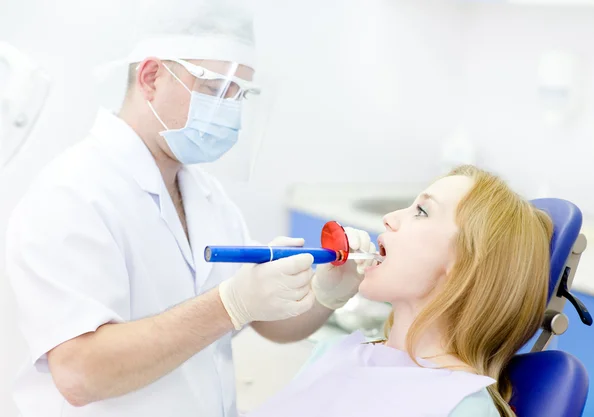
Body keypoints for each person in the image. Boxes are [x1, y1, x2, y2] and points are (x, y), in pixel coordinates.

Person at [4, 3, 377, 417]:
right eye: (217, 88)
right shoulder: (73, 193)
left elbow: (267, 320)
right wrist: (226, 305)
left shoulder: (204, 194)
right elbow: (80, 374)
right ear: (151, 77)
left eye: (240, 93)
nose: (230, 109)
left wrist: (326, 294)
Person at [245, 165, 553, 417]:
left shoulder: (462, 407)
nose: (389, 218)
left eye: (421, 211)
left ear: (466, 267)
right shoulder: (335, 353)